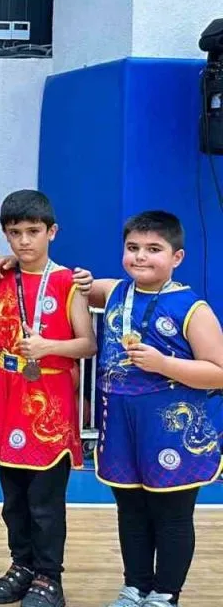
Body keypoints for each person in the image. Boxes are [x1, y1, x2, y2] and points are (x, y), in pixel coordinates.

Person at [85, 211, 223, 607]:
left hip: (172, 432)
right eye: (132, 248)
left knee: (171, 514)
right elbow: (69, 282)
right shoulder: (114, 291)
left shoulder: (192, 308)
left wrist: (164, 364)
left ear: (177, 257)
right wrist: (10, 263)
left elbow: (218, 372)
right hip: (122, 427)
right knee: (130, 511)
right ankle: (135, 587)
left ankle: (165, 594)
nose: (141, 257)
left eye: (153, 249)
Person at [0, 190, 96, 607]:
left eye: (33, 231)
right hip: (8, 394)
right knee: (13, 498)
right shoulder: (2, 276)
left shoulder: (69, 282)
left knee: (44, 501)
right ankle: (22, 566)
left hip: (50, 397)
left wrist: (49, 347)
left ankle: (50, 577)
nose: (24, 240)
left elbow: (88, 344)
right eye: (15, 233)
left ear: (52, 232)